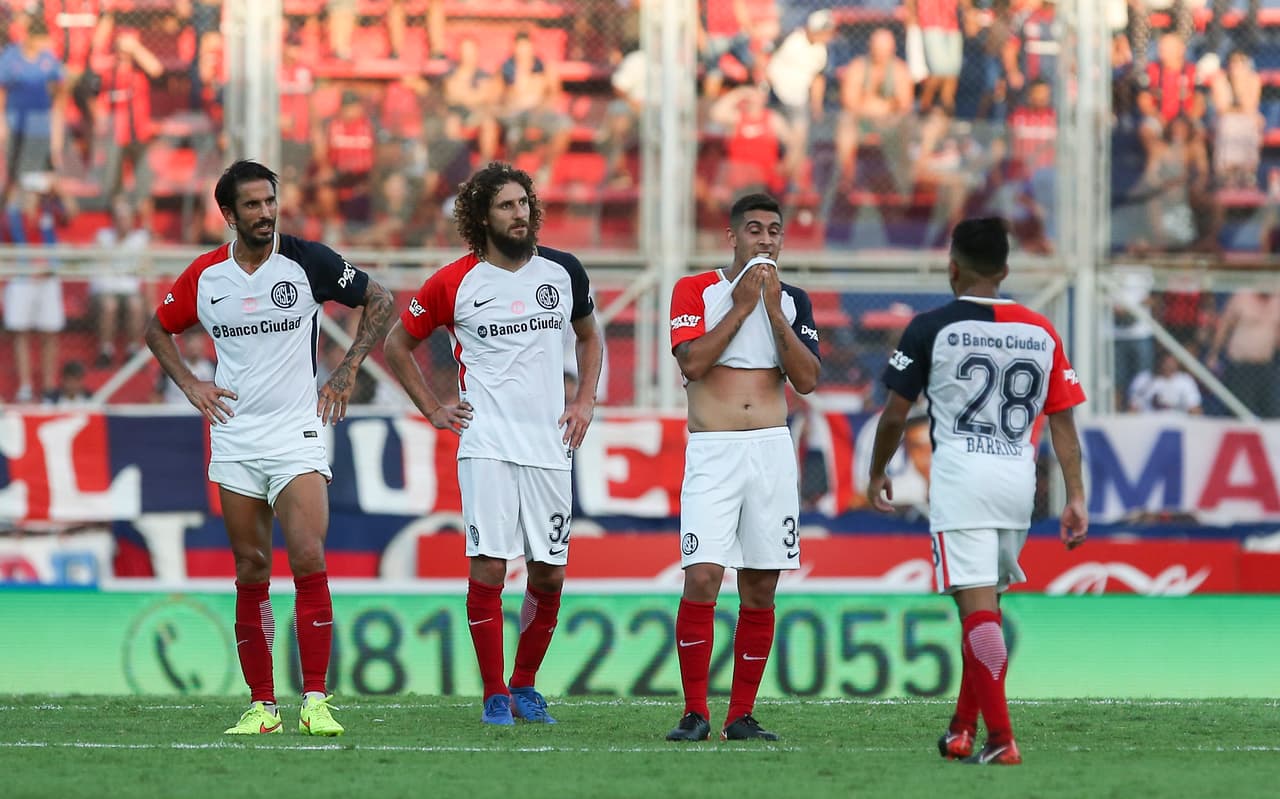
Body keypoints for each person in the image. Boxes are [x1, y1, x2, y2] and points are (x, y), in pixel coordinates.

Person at [143, 160, 395, 736]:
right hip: (234, 432)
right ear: (229, 215)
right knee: (252, 568)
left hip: (294, 432)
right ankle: (262, 707)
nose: (265, 213)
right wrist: (191, 385)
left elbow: (379, 300)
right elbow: (158, 329)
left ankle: (314, 701)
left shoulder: (307, 261)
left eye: (270, 201)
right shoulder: (206, 277)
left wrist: (346, 371)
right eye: (252, 205)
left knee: (308, 556)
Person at [383, 161, 603, 726]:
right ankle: (493, 693)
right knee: (488, 567)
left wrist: (584, 402)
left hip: (550, 443)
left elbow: (589, 335)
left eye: (524, 203)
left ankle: (526, 684)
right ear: (481, 216)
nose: (520, 213)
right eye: (506, 205)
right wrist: (433, 407)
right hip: (486, 442)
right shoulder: (452, 282)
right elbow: (397, 345)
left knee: (549, 572)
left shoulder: (562, 272)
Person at [865, 217, 1088, 766]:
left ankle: (1001, 739)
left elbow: (896, 414)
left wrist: (877, 472)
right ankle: (962, 729)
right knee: (984, 606)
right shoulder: (1041, 330)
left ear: (953, 267)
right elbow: (1062, 424)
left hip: (962, 479)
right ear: (1006, 270)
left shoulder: (930, 327)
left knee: (977, 614)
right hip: (1019, 483)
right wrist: (1076, 496)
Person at [665, 192, 821, 742]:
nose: (765, 240)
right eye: (754, 230)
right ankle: (694, 710)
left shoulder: (795, 299)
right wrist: (743, 303)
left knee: (760, 585)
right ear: (732, 237)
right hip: (714, 449)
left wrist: (773, 309)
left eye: (774, 231)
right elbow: (694, 361)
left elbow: (806, 379)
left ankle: (740, 714)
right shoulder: (695, 291)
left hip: (771, 452)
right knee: (703, 575)